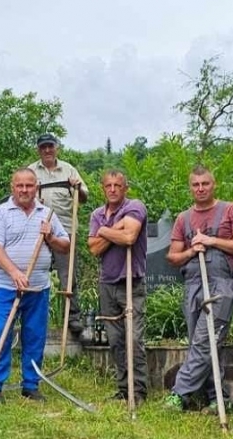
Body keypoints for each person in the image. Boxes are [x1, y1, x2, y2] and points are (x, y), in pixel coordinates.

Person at [164, 166, 233, 411]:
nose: (200, 188)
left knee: (205, 340)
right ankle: (218, 398)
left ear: (214, 185)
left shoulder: (230, 210)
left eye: (205, 184)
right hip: (193, 282)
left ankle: (178, 394)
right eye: (195, 184)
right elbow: (173, 256)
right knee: (200, 342)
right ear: (190, 187)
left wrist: (211, 241)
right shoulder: (183, 218)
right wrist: (192, 250)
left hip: (221, 284)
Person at [0, 168, 69, 403]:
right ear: (13, 187)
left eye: (29, 186)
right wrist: (14, 272)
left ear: (36, 188)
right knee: (1, 333)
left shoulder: (48, 214)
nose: (24, 190)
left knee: (34, 335)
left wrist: (50, 237)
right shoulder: (1, 213)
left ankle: (30, 385)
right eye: (19, 185)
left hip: (39, 287)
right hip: (6, 287)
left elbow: (65, 245)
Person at [88, 169, 148, 402]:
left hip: (131, 280)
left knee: (134, 339)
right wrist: (114, 229)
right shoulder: (97, 215)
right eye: (108, 186)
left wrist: (104, 231)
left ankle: (139, 391)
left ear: (125, 188)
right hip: (107, 282)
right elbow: (93, 249)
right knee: (116, 340)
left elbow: (129, 238)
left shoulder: (135, 206)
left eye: (117, 185)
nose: (113, 189)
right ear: (103, 188)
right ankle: (124, 390)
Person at [28, 133, 88, 336]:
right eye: (43, 147)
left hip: (65, 230)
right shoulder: (31, 171)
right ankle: (31, 315)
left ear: (56, 148)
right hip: (38, 231)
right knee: (34, 273)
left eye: (50, 146)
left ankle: (72, 318)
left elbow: (84, 197)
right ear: (38, 149)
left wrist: (77, 187)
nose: (47, 150)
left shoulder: (69, 169)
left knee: (67, 276)